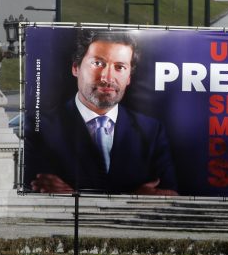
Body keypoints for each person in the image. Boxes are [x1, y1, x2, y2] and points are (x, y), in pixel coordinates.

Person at [24, 29, 178, 195]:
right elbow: (35, 190)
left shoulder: (152, 131)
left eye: (119, 67)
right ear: (76, 68)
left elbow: (169, 194)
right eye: (98, 63)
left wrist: (75, 194)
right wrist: (133, 197)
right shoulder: (38, 127)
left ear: (129, 78)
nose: (107, 77)